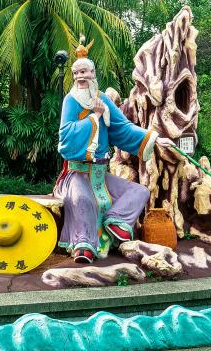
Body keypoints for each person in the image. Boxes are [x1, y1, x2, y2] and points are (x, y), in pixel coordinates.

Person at [53, 38, 174, 263]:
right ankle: (84, 245)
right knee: (83, 201)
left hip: (101, 174)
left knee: (140, 192)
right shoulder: (70, 101)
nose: (81, 77)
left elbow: (122, 129)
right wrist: (94, 118)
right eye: (76, 73)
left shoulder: (104, 101)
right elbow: (66, 138)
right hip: (77, 173)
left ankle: (116, 221)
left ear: (93, 73)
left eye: (85, 72)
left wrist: (155, 139)